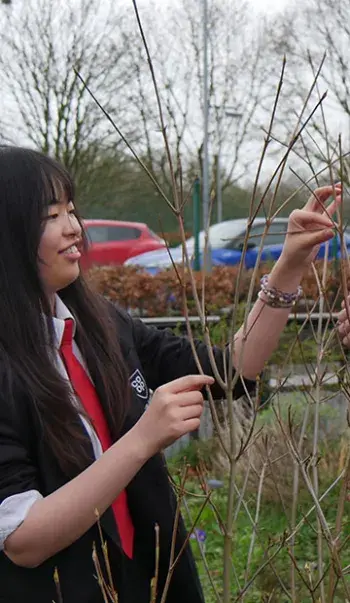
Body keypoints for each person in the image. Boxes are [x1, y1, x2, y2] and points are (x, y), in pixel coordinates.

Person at [0, 145, 341, 603]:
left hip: (150, 580)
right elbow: (24, 539)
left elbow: (232, 369)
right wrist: (142, 440)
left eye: (73, 210)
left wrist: (291, 264)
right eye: (51, 215)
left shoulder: (102, 325)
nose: (74, 228)